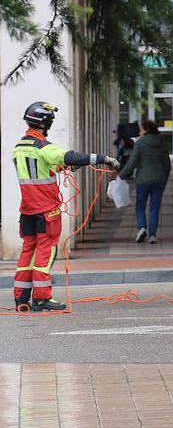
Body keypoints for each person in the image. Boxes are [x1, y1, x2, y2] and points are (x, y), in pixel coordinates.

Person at [13, 102, 118, 312]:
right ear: (46, 123)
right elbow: (67, 156)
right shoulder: (44, 147)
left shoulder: (18, 148)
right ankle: (42, 298)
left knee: (27, 252)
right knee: (45, 253)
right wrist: (103, 159)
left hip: (27, 211)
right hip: (46, 211)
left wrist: (67, 166)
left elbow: (47, 167)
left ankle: (21, 299)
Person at [118, 119, 172, 244]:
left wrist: (121, 175)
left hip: (143, 180)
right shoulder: (161, 143)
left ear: (146, 130)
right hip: (159, 180)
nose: (140, 132)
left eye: (141, 129)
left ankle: (142, 227)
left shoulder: (140, 144)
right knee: (155, 207)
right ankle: (152, 235)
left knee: (140, 205)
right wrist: (164, 178)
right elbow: (167, 164)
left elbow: (132, 163)